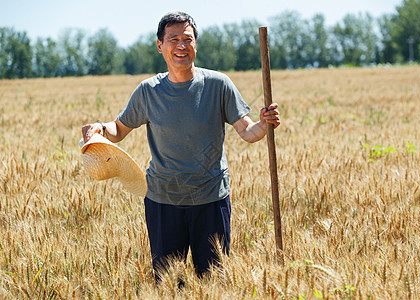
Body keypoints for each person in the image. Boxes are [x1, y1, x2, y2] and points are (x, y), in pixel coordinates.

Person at [82, 11, 280, 281]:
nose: (181, 46)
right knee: (166, 284)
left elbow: (248, 131)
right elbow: (119, 129)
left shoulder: (218, 84)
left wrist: (264, 123)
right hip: (163, 201)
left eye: (188, 39)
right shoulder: (147, 91)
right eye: (173, 39)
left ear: (196, 43)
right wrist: (100, 128)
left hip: (211, 201)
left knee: (215, 283)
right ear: (160, 45)